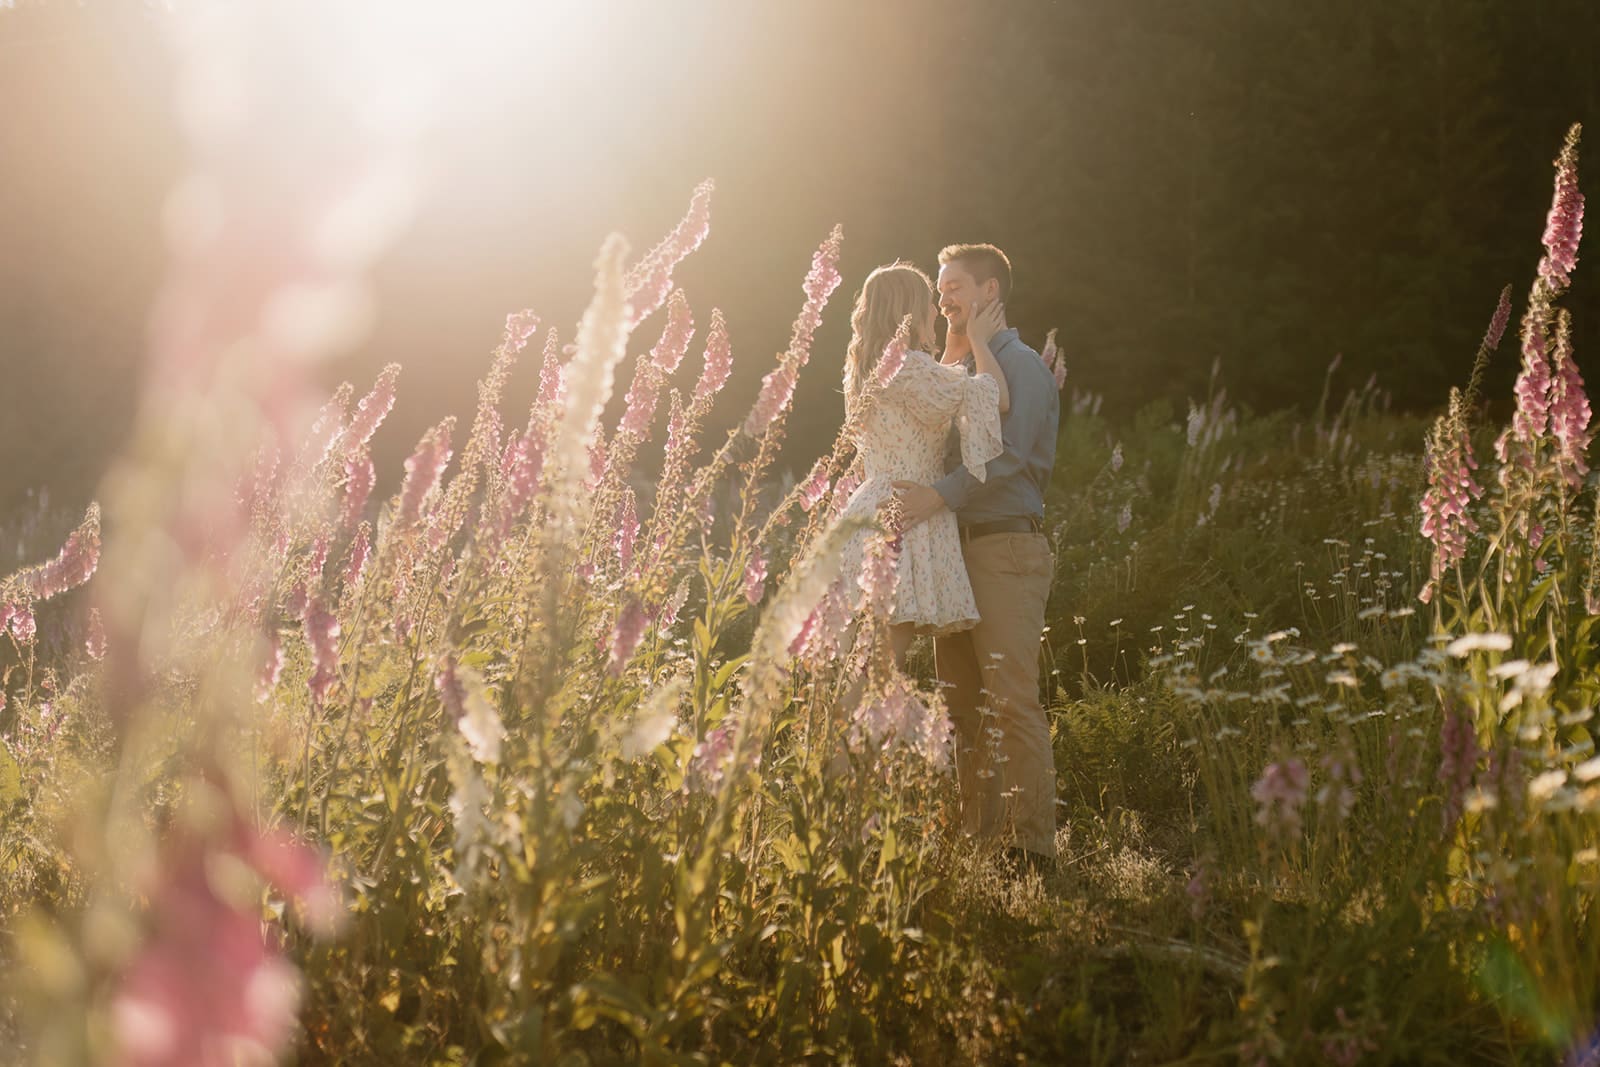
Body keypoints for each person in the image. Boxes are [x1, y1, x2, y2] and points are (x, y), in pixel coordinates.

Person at [892, 243, 1060, 873]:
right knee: (961, 705)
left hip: (1003, 546)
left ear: (990, 292)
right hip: (948, 553)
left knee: (1012, 697)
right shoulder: (957, 366)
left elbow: (1007, 456)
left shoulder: (1024, 369)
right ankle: (979, 841)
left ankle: (1033, 848)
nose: (944, 299)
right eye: (940, 290)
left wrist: (937, 496)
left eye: (955, 287)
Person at [832, 262, 1009, 670]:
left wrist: (952, 350)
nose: (936, 310)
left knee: (865, 655)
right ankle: (852, 733)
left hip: (874, 503)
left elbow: (933, 392)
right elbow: (994, 398)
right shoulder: (909, 366)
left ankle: (843, 731)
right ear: (909, 311)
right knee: (880, 661)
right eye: (929, 302)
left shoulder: (872, 366)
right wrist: (979, 342)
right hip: (904, 513)